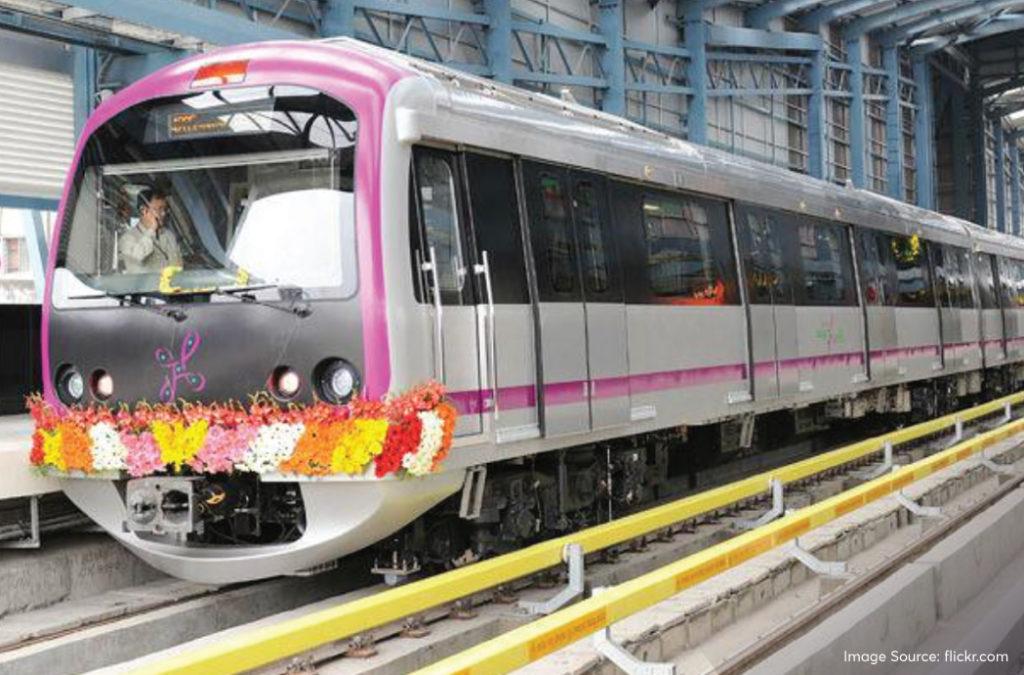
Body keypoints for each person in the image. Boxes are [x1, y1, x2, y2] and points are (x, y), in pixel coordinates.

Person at [119, 188, 182, 273]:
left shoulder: (169, 235)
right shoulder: (128, 238)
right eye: (159, 209)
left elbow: (178, 263)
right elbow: (133, 261)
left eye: (165, 209)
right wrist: (151, 230)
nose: (163, 213)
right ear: (144, 211)